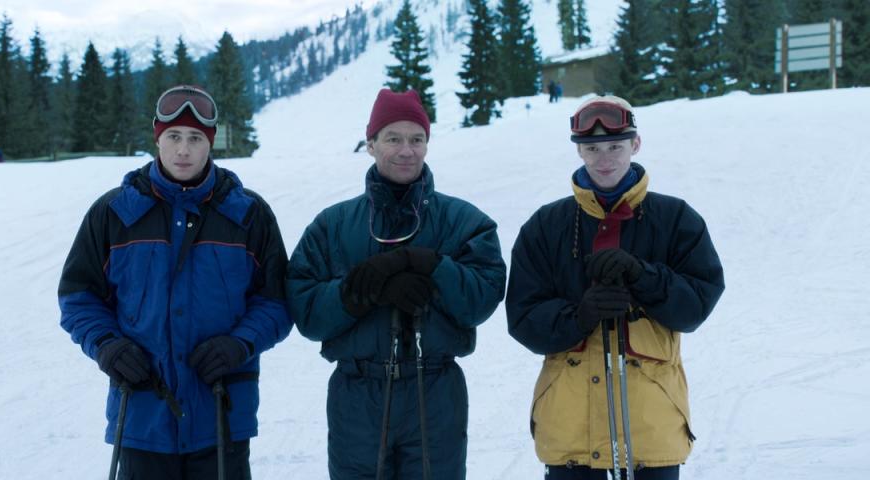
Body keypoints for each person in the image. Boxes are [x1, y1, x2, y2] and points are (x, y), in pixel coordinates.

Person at [58, 84, 292, 479]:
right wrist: (107, 346)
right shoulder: (114, 212)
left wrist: (240, 344)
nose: (183, 150)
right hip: (142, 416)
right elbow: (79, 298)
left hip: (221, 414)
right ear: (157, 137)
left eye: (195, 138)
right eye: (174, 137)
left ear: (210, 143)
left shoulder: (248, 213)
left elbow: (277, 300)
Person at [287, 88, 506, 479]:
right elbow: (306, 313)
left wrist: (433, 266)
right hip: (357, 395)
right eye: (392, 138)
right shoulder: (332, 226)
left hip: (436, 392)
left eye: (416, 139)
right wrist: (363, 293)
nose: (406, 150)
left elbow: (480, 300)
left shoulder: (465, 222)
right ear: (370, 144)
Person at [506, 95, 724, 480]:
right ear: (579, 151)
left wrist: (645, 276)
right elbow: (523, 318)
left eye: (615, 146)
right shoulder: (545, 226)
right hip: (569, 430)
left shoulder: (676, 219)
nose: (604, 158)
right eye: (591, 148)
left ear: (634, 145)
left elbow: (697, 306)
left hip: (650, 429)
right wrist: (579, 316)